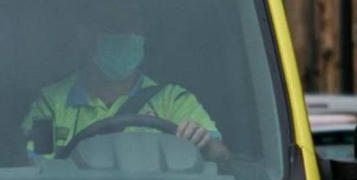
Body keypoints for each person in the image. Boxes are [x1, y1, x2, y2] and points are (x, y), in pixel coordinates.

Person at [22, 25, 229, 160]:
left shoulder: (172, 99)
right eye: (116, 27)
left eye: (134, 28)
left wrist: (203, 142)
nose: (127, 37)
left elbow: (221, 157)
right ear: (86, 38)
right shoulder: (52, 101)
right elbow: (32, 167)